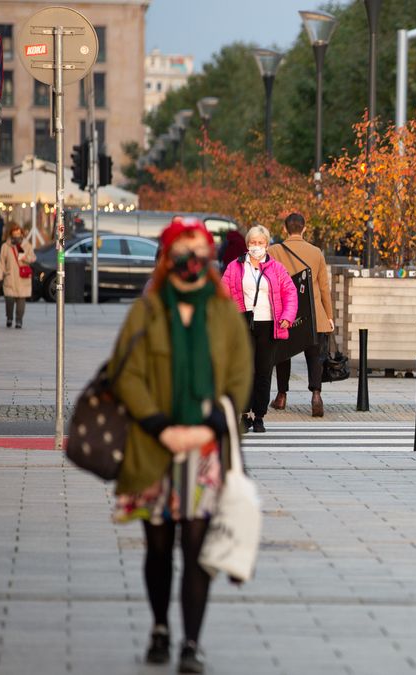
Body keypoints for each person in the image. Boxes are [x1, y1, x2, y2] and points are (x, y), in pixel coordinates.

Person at [110, 219, 252, 674]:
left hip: (205, 450)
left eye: (200, 254)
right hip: (154, 446)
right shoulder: (147, 310)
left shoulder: (223, 311)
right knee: (157, 547)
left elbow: (239, 375)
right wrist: (158, 425)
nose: (192, 262)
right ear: (167, 256)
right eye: (183, 252)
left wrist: (209, 426)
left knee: (195, 548)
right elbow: (125, 372)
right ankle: (159, 627)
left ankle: (191, 641)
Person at [221, 225, 297, 434]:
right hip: (243, 323)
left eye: (260, 243)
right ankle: (244, 414)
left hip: (268, 324)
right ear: (247, 245)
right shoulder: (234, 267)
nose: (256, 247)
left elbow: (290, 293)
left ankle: (259, 415)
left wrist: (287, 317)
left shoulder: (277, 269)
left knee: (263, 371)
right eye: (253, 243)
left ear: (267, 244)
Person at [268, 212, 335, 418]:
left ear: (285, 229)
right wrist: (329, 316)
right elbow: (324, 287)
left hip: (286, 313)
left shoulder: (274, 251)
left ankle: (281, 396)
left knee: (283, 355)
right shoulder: (316, 252)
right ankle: (316, 395)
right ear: (304, 229)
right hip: (313, 314)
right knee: (314, 356)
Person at [0, 223, 36, 329]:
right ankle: (9, 317)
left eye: (19, 233)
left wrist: (24, 256)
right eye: (14, 233)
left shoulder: (27, 246)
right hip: (10, 277)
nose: (17, 236)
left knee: (21, 303)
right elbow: (1, 262)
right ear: (11, 234)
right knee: (9, 300)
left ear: (22, 234)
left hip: (23, 279)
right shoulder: (5, 246)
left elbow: (32, 258)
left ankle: (19, 320)